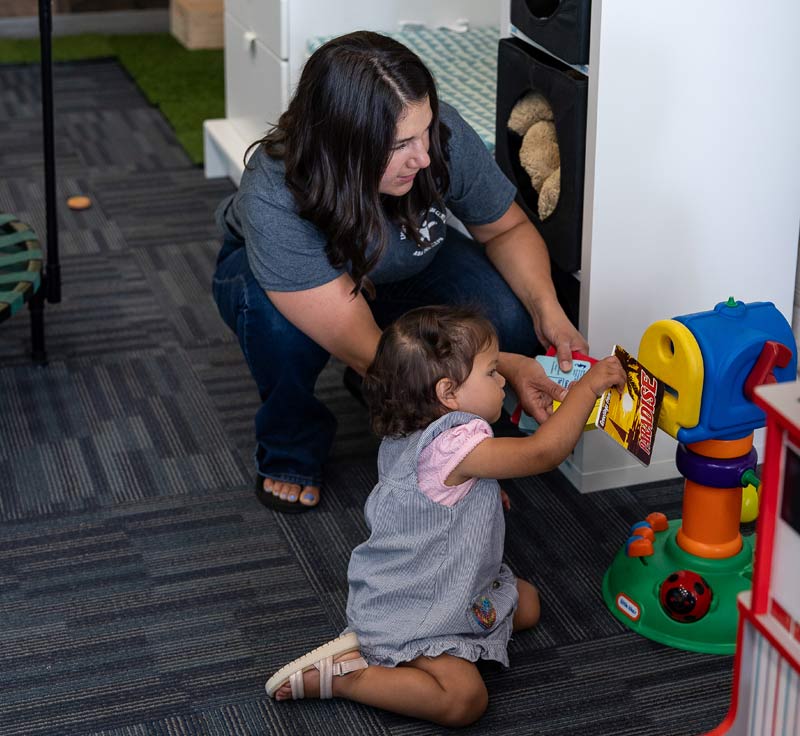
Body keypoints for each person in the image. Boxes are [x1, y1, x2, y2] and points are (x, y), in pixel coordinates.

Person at [212, 30, 589, 513]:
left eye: (425, 131)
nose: (425, 157)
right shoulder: (275, 192)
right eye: (400, 145)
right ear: (343, 144)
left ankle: (385, 391)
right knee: (278, 332)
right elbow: (363, 343)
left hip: (407, 263)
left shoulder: (438, 134)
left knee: (506, 323)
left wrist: (548, 311)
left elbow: (506, 230)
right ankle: (291, 442)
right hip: (294, 285)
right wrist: (477, 426)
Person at [264, 305, 626, 726]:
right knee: (463, 701)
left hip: (453, 581)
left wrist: (485, 494)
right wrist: (587, 389)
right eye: (492, 372)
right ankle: (350, 676)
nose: (502, 380)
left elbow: (435, 489)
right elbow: (543, 453)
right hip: (417, 602)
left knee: (527, 605)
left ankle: (436, 642)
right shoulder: (455, 445)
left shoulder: (415, 424)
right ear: (448, 393)